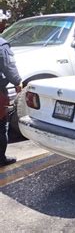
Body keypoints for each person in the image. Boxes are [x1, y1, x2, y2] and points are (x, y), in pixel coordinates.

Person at [0, 37, 22, 167]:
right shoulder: (2, 45)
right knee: (1, 127)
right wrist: (18, 81)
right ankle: (0, 159)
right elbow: (9, 66)